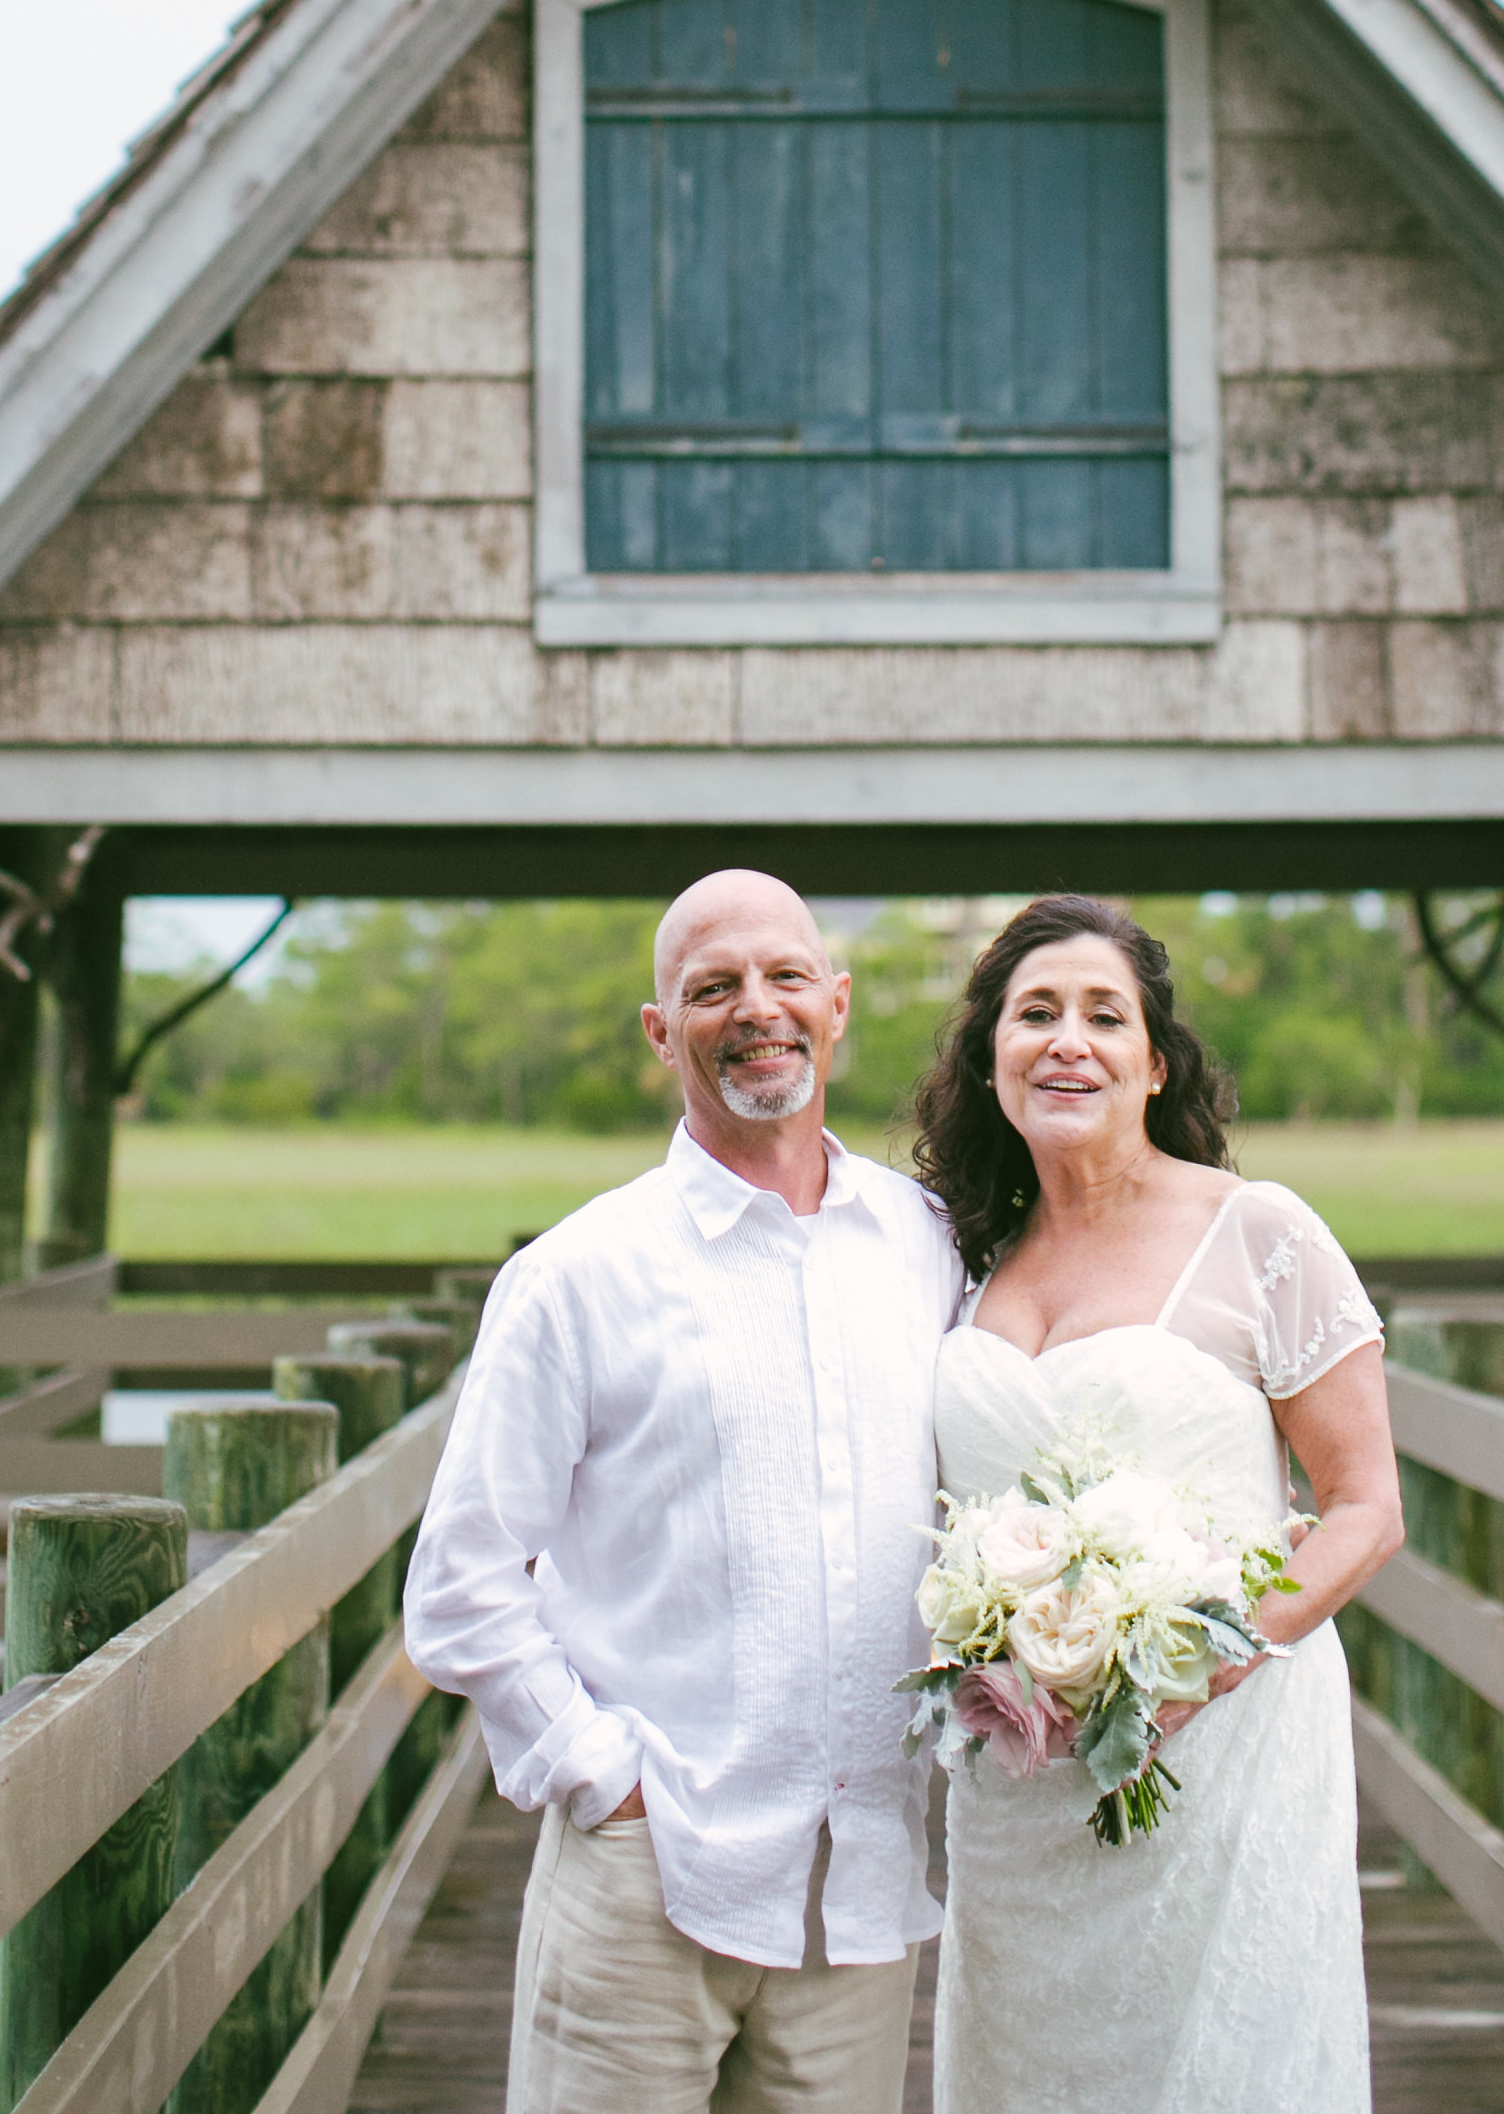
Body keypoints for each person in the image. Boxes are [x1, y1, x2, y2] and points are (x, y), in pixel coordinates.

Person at [404, 866, 962, 2114]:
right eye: (714, 989)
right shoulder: (577, 1277)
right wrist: (601, 1778)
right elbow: (459, 1585)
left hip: (861, 1894)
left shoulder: (929, 1245)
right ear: (663, 1033)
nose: (756, 1008)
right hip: (648, 1880)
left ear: (836, 1003)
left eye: (784, 976)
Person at [912, 894, 1403, 2114]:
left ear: (1154, 1063)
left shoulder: (1257, 1233)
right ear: (990, 1058)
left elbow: (1364, 1509)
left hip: (1220, 1761)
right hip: (1020, 1788)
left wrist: (1196, 1666)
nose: (1066, 1040)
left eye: (1103, 1015)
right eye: (1035, 1013)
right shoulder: (961, 1257)